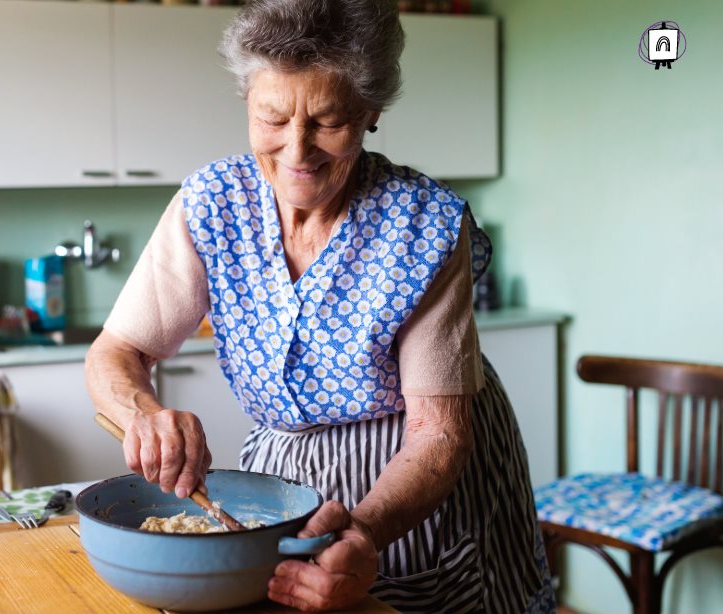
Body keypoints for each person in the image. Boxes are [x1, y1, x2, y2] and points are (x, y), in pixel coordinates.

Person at [84, 0, 554, 611]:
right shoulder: (211, 203)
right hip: (286, 475)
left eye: (328, 121)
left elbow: (437, 433)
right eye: (272, 118)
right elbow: (117, 351)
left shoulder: (424, 225)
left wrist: (365, 529)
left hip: (417, 478)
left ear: (370, 111)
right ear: (247, 103)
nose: (297, 151)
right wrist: (142, 410)